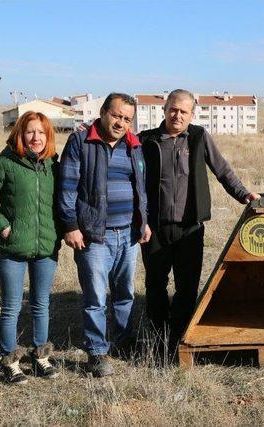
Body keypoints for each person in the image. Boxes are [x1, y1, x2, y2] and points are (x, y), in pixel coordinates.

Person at [139, 89, 260, 350]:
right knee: (155, 283)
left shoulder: (198, 137)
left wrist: (243, 194)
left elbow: (222, 170)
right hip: (155, 229)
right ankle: (159, 334)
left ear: (192, 114)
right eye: (173, 109)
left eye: (184, 111)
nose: (177, 115)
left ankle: (181, 333)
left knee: (187, 284)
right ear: (164, 109)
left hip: (190, 228)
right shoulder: (146, 140)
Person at [58, 93, 151, 377]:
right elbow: (67, 188)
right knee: (96, 297)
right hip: (95, 235)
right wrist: (71, 226)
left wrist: (143, 222)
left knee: (125, 293)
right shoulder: (81, 141)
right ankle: (96, 352)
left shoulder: (133, 145)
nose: (121, 123)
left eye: (127, 119)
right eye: (117, 115)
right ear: (102, 112)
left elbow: (140, 188)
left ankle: (123, 341)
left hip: (128, 234)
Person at [0, 111, 60, 384]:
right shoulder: (6, 163)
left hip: (46, 249)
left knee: (41, 304)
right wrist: (1, 225)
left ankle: (41, 356)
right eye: (30, 132)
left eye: (41, 133)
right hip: (12, 250)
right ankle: (10, 361)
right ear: (20, 134)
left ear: (48, 137)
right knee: (11, 308)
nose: (36, 138)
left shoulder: (52, 166)